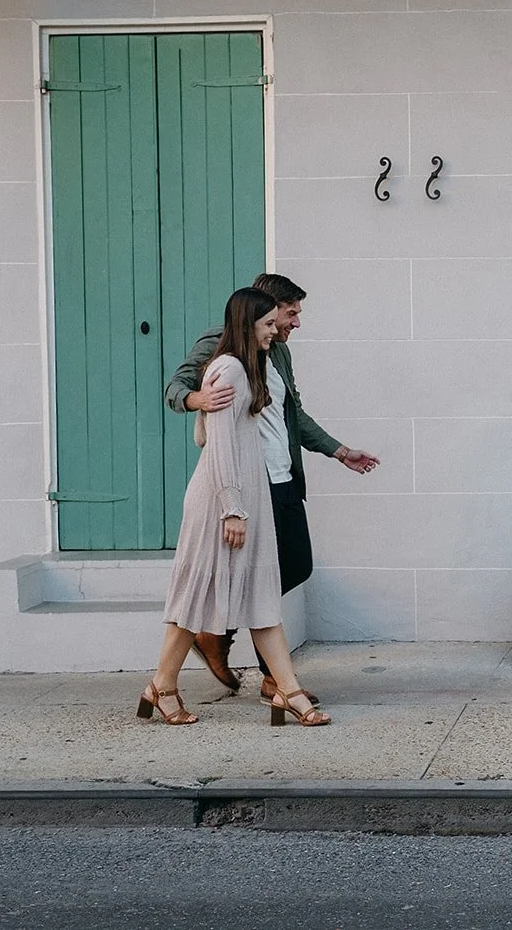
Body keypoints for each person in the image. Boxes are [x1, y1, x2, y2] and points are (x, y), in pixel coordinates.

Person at [164, 273, 378, 703]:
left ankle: (218, 634)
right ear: (268, 309)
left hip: (283, 477)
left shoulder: (277, 351)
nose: (296, 322)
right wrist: (195, 401)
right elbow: (175, 387)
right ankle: (273, 680)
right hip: (248, 483)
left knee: (296, 565)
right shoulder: (221, 345)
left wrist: (338, 451)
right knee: (257, 578)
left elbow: (291, 414)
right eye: (291, 312)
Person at [139, 287, 329, 727]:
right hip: (223, 502)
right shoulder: (227, 368)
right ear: (249, 325)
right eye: (267, 325)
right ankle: (162, 687)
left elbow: (207, 434)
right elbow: (216, 446)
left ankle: (288, 692)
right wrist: (231, 509)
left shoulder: (252, 365)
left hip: (250, 494)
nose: (273, 332)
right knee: (194, 598)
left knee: (262, 594)